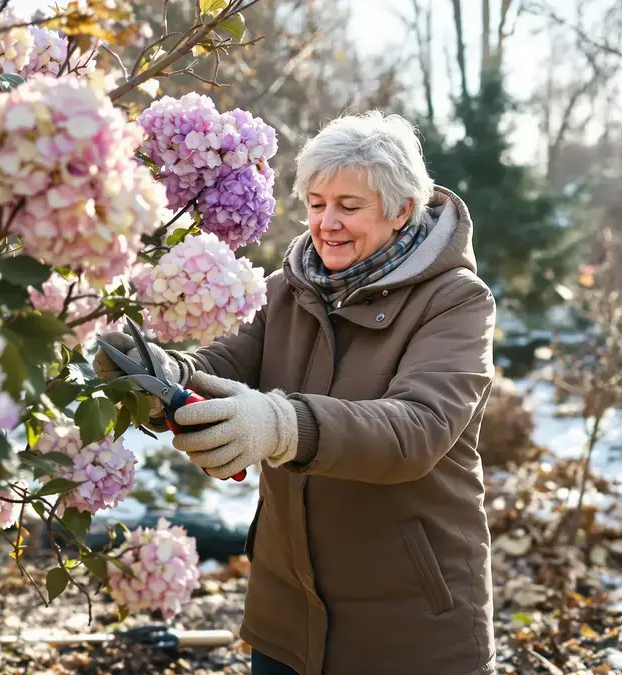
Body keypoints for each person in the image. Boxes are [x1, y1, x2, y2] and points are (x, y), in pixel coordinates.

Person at [95, 111, 498, 675]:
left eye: (349, 207)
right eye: (316, 203)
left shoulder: (456, 301)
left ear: (401, 209)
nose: (326, 223)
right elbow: (220, 364)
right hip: (286, 616)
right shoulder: (287, 291)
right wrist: (158, 373)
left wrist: (282, 426)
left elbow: (418, 430)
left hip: (408, 629)